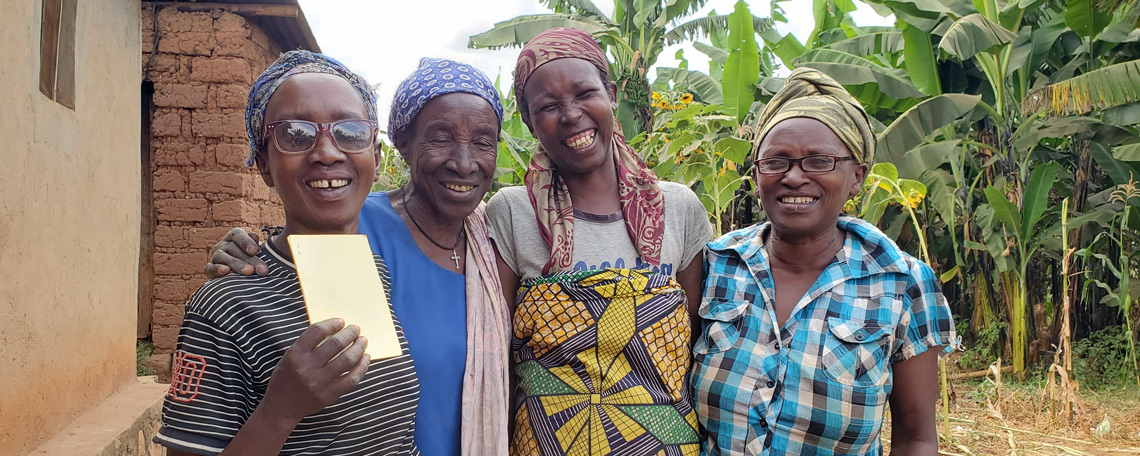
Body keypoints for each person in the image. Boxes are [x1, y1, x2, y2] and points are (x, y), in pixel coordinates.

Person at [202, 56, 512, 456]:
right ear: (400, 144)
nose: (464, 162)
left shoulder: (500, 240)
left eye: (483, 141)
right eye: (440, 137)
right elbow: (281, 264)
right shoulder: (346, 223)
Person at [155, 51, 419, 455]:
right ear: (263, 164)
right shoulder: (224, 307)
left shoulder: (374, 272)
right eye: (296, 134)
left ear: (377, 156)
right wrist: (280, 410)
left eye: (349, 131)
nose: (327, 152)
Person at [691, 67, 956, 455]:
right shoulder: (717, 265)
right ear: (756, 174)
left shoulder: (903, 283)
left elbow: (916, 437)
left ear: (857, 177)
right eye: (776, 161)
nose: (794, 177)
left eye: (819, 161)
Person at [487, 27, 713, 455]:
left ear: (610, 93)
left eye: (584, 93)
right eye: (548, 107)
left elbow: (693, 346)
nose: (571, 115)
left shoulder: (679, 208)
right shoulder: (513, 212)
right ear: (530, 121)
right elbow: (497, 357)